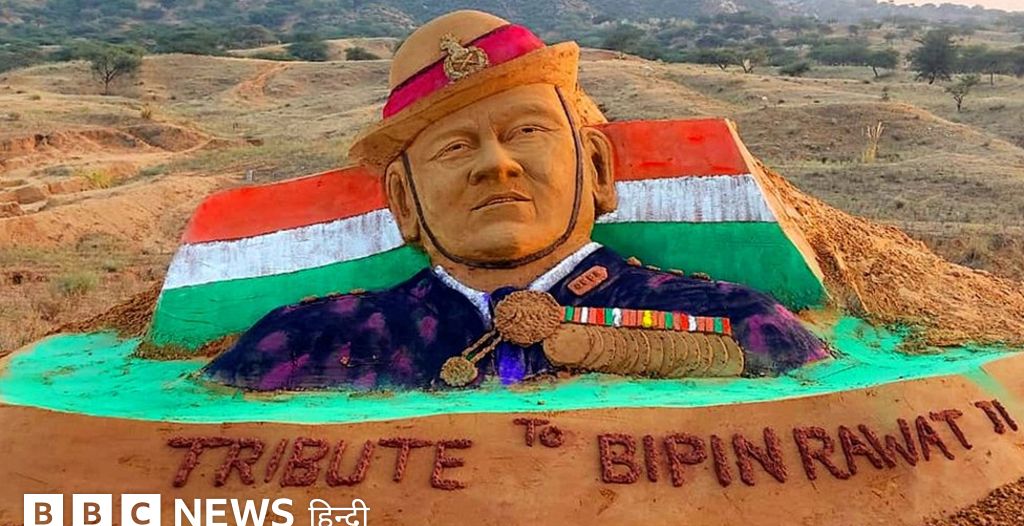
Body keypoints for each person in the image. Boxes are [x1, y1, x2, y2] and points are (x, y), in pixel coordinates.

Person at [205, 10, 828, 391]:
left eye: (527, 131)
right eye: (454, 147)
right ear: (403, 199)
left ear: (597, 166)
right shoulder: (302, 344)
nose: (495, 165)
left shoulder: (744, 326)